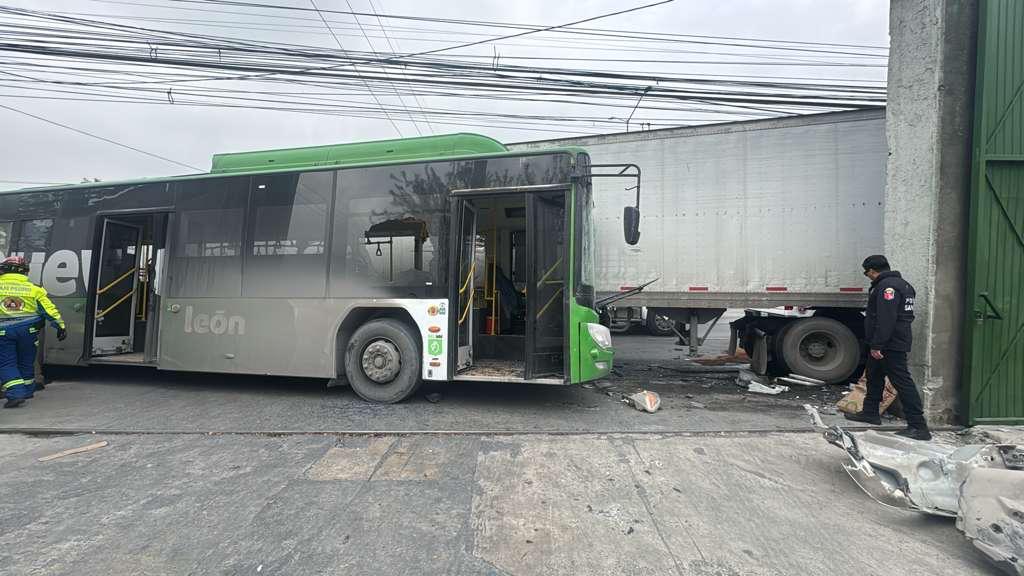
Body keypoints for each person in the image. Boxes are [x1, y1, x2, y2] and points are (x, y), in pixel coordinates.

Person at [846, 255, 931, 440]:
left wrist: (878, 345)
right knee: (874, 376)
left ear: (872, 270)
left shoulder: (888, 287)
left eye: (866, 272)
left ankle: (918, 426)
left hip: (890, 344)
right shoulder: (904, 285)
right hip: (888, 341)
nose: (867, 276)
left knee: (902, 382)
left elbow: (886, 318)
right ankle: (870, 412)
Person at [0, 256, 66, 408]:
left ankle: (16, 394)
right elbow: (49, 310)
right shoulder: (34, 289)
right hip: (29, 332)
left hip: (3, 333)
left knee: (6, 363)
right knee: (26, 361)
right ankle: (28, 390)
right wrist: (60, 326)